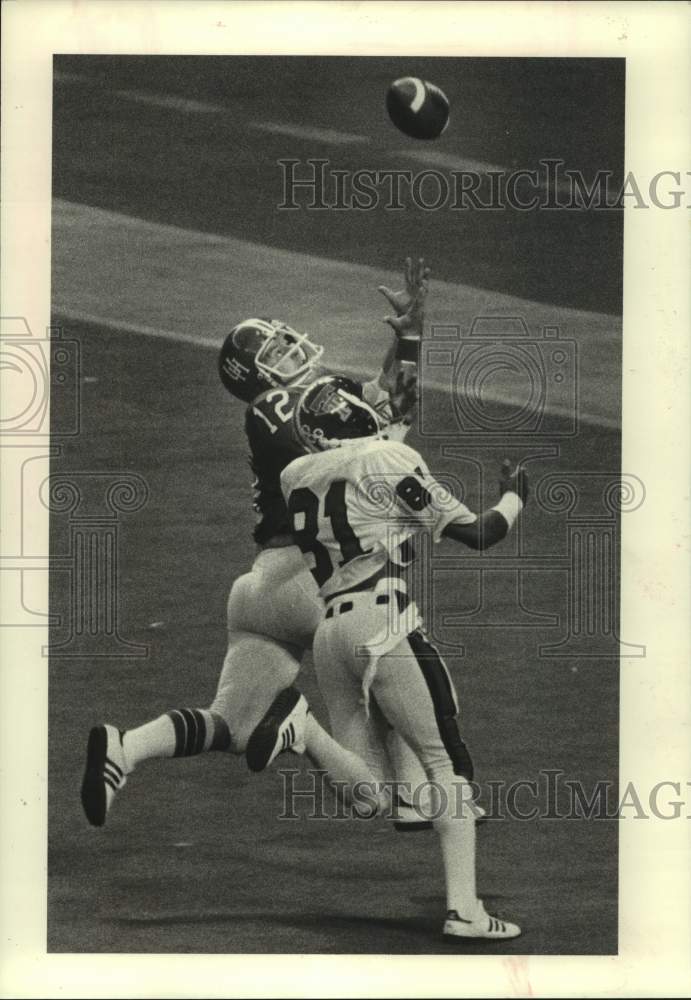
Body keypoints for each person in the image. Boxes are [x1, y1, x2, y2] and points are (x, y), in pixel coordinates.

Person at [81, 260, 431, 829]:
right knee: (397, 671)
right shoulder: (279, 407)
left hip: (259, 592)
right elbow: (384, 424)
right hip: (317, 578)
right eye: (276, 349)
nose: (291, 350)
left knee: (233, 725)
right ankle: (358, 759)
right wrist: (404, 364)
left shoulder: (314, 397)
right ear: (256, 372)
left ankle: (127, 748)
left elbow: (390, 404)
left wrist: (409, 337)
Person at [248, 372, 528, 940]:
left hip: (331, 631)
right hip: (385, 620)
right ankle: (465, 912)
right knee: (446, 760)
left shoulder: (295, 473)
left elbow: (362, 460)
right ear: (353, 414)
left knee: (369, 795)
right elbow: (478, 533)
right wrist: (516, 494)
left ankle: (307, 734)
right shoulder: (388, 458)